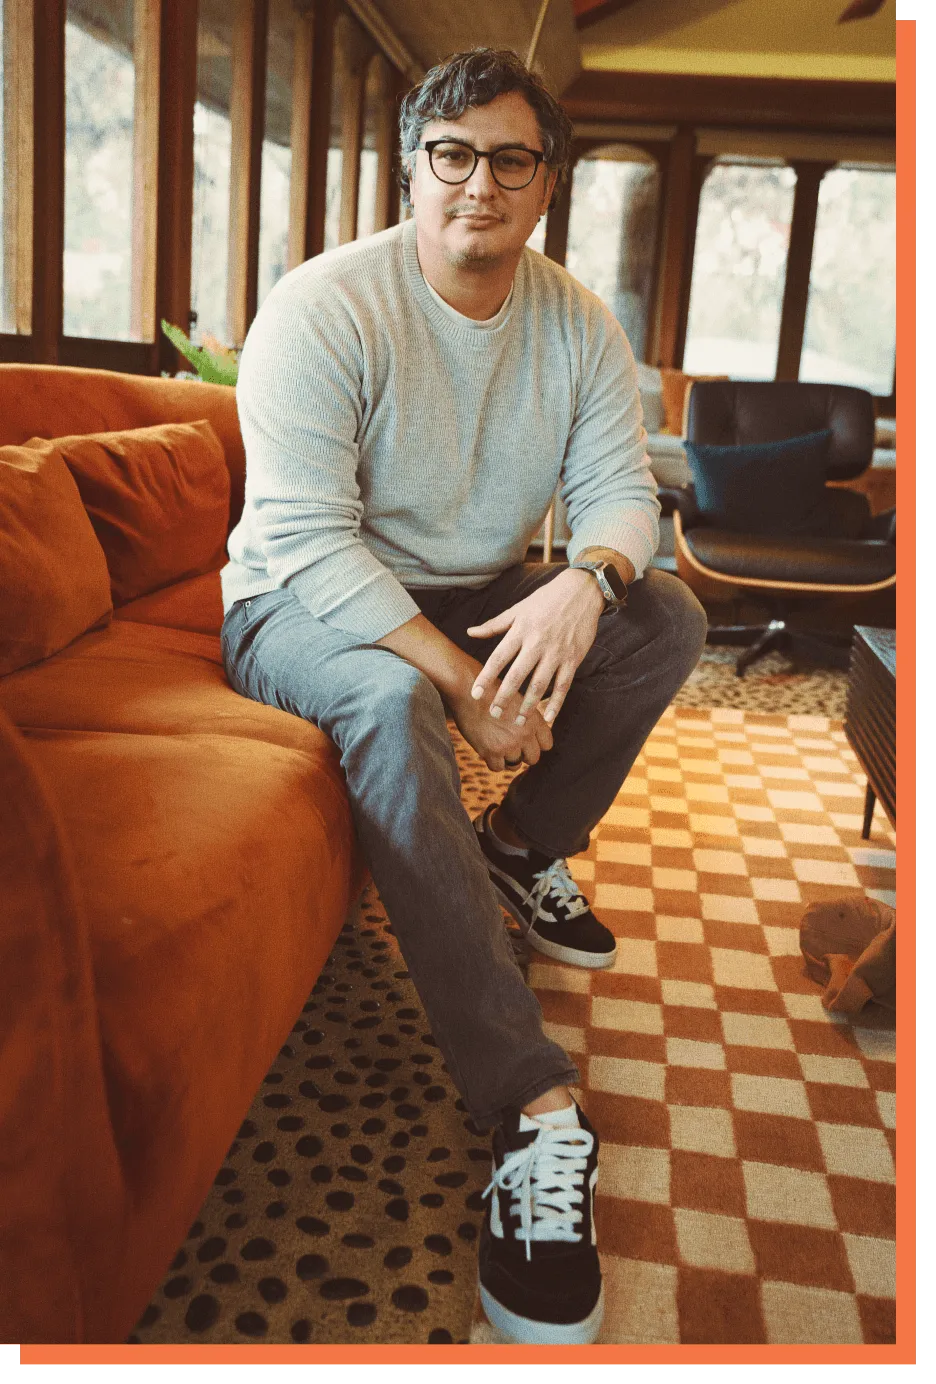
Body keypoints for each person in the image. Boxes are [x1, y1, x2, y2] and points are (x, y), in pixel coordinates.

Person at [219, 47, 707, 1345]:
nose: (477, 183)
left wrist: (591, 580)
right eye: (453, 153)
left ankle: (520, 844)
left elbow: (620, 494)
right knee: (387, 707)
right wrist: (460, 690)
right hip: (302, 599)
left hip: (473, 582)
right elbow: (312, 541)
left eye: (510, 157)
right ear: (412, 167)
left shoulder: (575, 319)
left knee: (666, 620)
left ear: (546, 183)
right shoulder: (327, 307)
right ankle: (530, 1107)